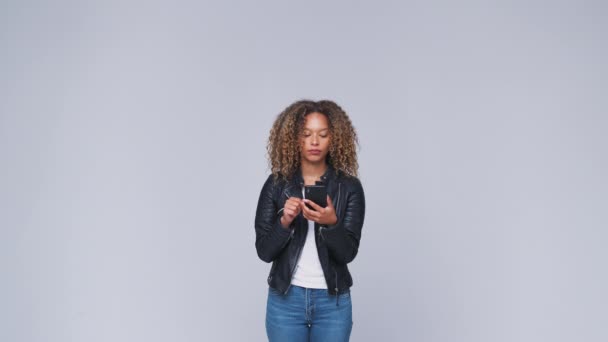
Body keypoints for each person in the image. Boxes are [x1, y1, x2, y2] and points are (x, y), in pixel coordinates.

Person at [254, 99, 366, 342]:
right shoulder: (276, 185)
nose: (314, 142)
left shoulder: (349, 188)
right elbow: (264, 251)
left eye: (322, 134)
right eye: (306, 134)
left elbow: (347, 254)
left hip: (332, 302)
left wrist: (331, 223)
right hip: (286, 301)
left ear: (333, 139)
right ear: (294, 139)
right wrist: (284, 222)